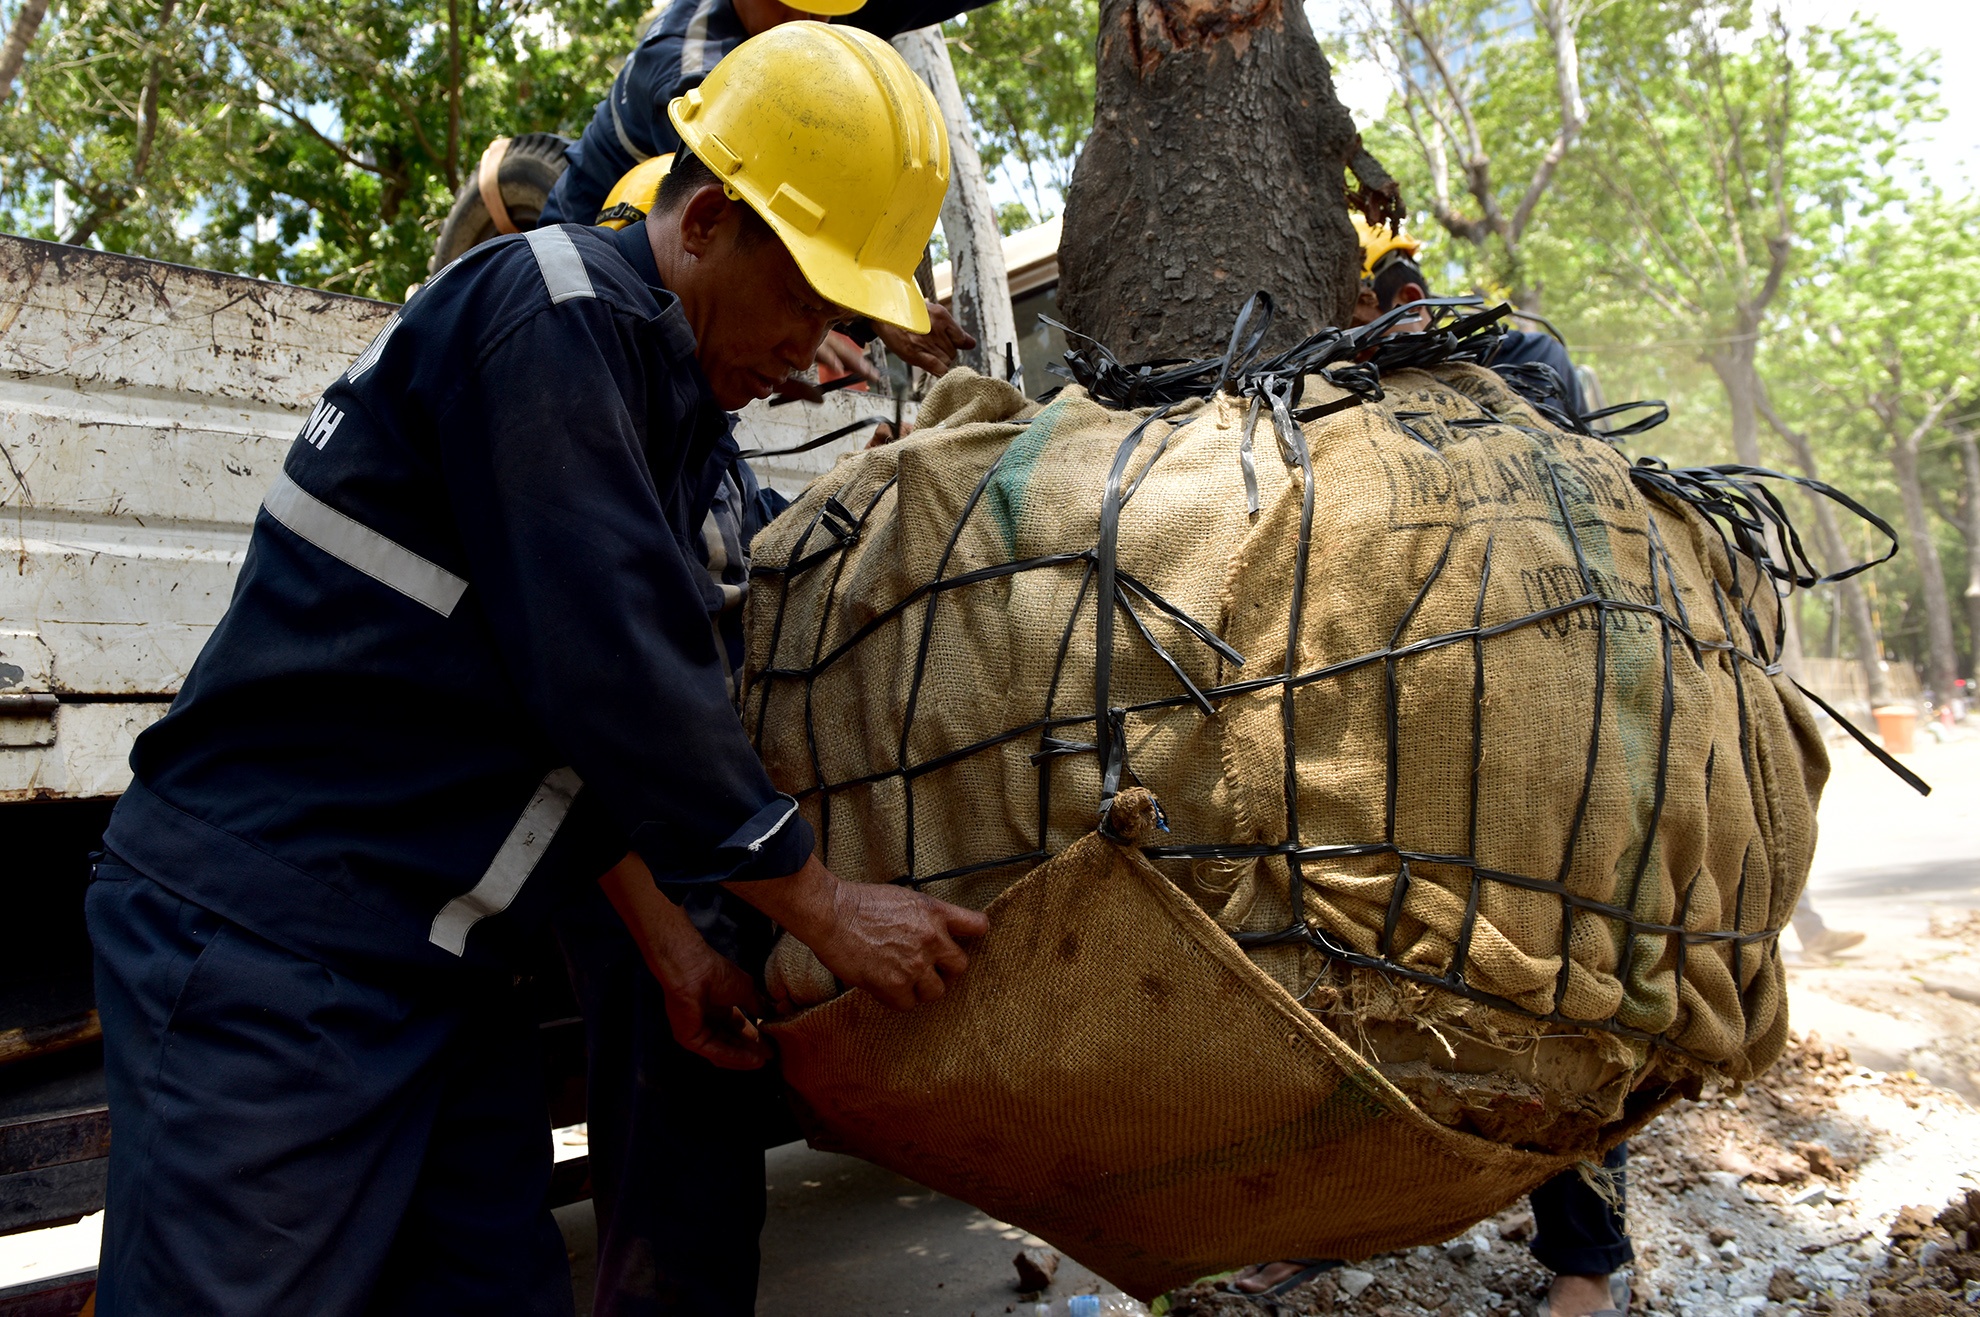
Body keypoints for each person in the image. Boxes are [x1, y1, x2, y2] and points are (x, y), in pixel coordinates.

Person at [84, 24, 987, 1316]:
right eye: (809, 299)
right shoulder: (549, 315)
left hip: (434, 968)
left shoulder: (659, 411)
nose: (814, 349)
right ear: (712, 219)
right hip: (267, 946)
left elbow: (555, 733)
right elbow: (619, 673)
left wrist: (676, 952)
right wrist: (826, 907)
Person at [1227, 222, 1634, 1317]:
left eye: (1389, 292)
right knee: (1333, 971)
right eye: (1380, 295)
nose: (1387, 307)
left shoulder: (1511, 360)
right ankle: (1329, 1222)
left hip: (1537, 708)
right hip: (1389, 709)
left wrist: (1401, 353)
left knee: (1554, 977)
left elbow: (1552, 481)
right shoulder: (1321, 391)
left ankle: (1586, 1263)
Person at [542, 0, 999, 381]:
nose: (806, 20)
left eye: (823, 10)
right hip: (589, 241)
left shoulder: (798, 25)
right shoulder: (689, 63)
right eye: (788, 5)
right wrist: (867, 315)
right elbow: (746, 203)